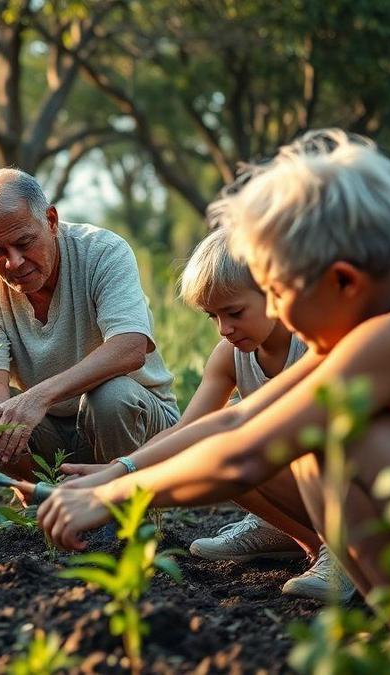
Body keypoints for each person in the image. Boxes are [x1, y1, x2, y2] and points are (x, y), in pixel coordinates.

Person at [39, 130, 390, 626]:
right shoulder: (372, 329)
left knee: (332, 440)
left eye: (278, 291)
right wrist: (115, 472)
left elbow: (246, 456)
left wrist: (111, 498)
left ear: (344, 280)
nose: (277, 309)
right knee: (314, 438)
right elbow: (234, 422)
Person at [59, 227, 352, 601]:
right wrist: (123, 465)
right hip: (299, 477)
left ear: (274, 292)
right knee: (214, 440)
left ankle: (346, 547)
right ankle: (303, 539)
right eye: (212, 317)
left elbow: (241, 424)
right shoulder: (231, 354)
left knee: (248, 434)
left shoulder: (315, 343)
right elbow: (191, 428)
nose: (224, 329)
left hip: (348, 479)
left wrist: (122, 481)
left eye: (234, 312)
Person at [0, 168, 179, 476]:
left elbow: (130, 347)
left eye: (24, 242)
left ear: (50, 220)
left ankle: (120, 505)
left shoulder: (103, 252)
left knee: (111, 398)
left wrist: (39, 396)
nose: (14, 262)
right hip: (54, 431)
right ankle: (41, 500)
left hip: (137, 429)